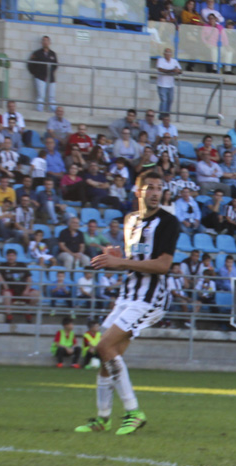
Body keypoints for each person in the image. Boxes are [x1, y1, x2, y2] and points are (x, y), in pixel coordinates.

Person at [75, 171, 180, 436]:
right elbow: (135, 259)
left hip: (151, 298)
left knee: (104, 345)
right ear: (139, 192)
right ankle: (102, 419)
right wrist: (117, 256)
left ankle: (133, 412)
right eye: (150, 187)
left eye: (159, 188)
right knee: (108, 352)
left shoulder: (169, 223)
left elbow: (163, 265)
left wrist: (119, 262)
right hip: (128, 294)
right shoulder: (130, 220)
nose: (156, 192)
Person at [0, 248, 40, 324]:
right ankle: (9, 315)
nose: (11, 257)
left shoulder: (22, 265)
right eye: (9, 255)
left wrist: (26, 289)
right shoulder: (2, 265)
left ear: (16, 257)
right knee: (6, 294)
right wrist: (4, 284)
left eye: (12, 256)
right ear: (6, 257)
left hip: (23, 290)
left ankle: (28, 312)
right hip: (10, 290)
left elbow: (29, 278)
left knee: (37, 294)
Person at [28, 36, 58, 112]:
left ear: (49, 43)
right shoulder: (37, 53)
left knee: (52, 97)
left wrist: (50, 72)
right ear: (41, 42)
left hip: (51, 78)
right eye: (44, 41)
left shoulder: (53, 54)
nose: (45, 42)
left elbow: (55, 65)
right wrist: (36, 73)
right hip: (40, 77)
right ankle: (39, 110)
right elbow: (30, 64)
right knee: (41, 96)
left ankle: (53, 111)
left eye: (47, 41)